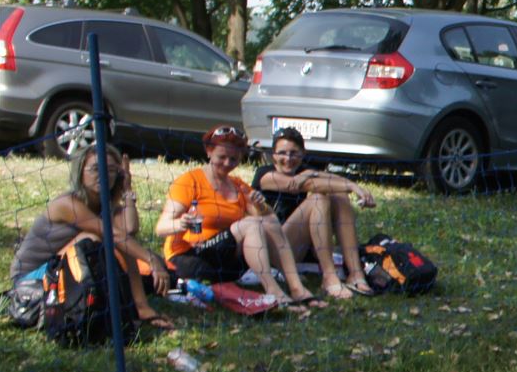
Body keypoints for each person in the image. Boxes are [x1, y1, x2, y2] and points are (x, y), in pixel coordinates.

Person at [9, 144, 171, 330]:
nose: (103, 174)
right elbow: (112, 235)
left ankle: (141, 308)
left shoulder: (106, 206)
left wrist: (126, 190)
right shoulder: (67, 203)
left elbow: (129, 229)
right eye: (95, 169)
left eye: (111, 170)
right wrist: (151, 260)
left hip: (66, 272)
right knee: (93, 238)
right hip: (31, 280)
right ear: (80, 172)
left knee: (120, 240)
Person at [157, 125, 320, 307]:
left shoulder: (237, 185)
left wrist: (260, 206)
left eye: (233, 159)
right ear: (209, 152)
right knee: (250, 224)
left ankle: (296, 287)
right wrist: (180, 223)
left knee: (263, 220)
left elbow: (271, 222)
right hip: (190, 258)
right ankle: (274, 291)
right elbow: (161, 228)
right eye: (222, 157)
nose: (227, 163)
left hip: (226, 264)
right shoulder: (190, 181)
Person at [251, 128, 376, 299]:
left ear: (303, 154)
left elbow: (333, 180)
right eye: (282, 153)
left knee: (338, 194)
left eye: (294, 153)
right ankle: (329, 276)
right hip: (271, 251)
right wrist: (350, 186)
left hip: (296, 248)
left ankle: (355, 273)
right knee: (319, 198)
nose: (288, 159)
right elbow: (301, 185)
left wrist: (353, 187)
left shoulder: (303, 171)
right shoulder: (264, 175)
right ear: (273, 155)